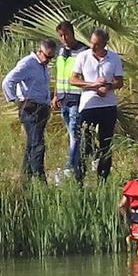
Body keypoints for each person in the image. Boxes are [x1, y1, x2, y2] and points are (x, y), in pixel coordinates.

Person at [2, 39, 58, 181]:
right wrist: (14, 100)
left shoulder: (43, 66)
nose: (49, 60)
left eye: (52, 58)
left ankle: (26, 178)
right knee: (38, 144)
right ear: (40, 51)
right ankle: (39, 178)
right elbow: (8, 81)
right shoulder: (27, 63)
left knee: (32, 143)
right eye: (47, 57)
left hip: (42, 108)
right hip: (30, 108)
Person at [70, 28, 123, 181]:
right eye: (92, 43)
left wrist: (108, 87)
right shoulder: (83, 56)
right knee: (84, 143)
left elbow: (119, 81)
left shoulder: (113, 58)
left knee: (106, 143)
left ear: (105, 44)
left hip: (108, 106)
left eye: (97, 45)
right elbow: (73, 80)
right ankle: (80, 178)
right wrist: (93, 85)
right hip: (88, 105)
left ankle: (103, 179)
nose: (93, 47)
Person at [52, 21, 89, 181]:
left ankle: (70, 166)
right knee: (72, 134)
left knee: (75, 133)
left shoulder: (83, 51)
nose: (64, 38)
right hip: (63, 99)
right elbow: (59, 74)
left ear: (72, 33)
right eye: (61, 35)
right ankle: (80, 164)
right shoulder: (61, 52)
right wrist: (55, 95)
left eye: (66, 34)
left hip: (77, 98)